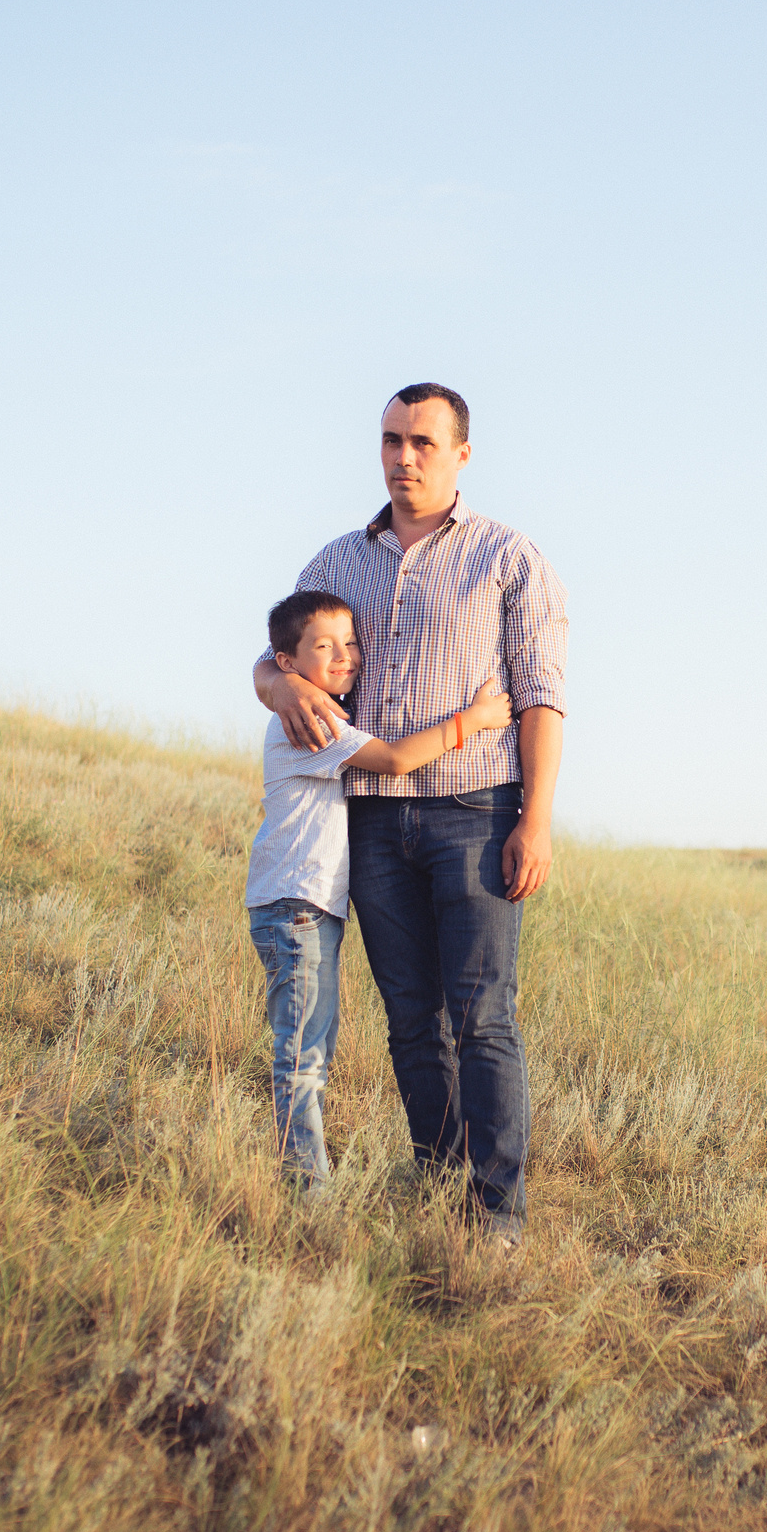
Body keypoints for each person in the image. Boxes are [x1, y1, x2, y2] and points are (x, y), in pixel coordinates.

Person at [252, 382, 567, 1251]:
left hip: (476, 809)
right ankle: (437, 1190)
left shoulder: (510, 558)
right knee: (412, 1020)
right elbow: (271, 651)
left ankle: (497, 1217)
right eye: (392, 440)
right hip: (374, 826)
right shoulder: (336, 561)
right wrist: (277, 683)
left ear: (461, 454)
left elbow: (542, 697)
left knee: (482, 1014)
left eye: (424, 442)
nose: (404, 457)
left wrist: (534, 820)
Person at [244, 588, 512, 1193]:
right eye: (324, 646)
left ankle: (308, 1183)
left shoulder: (319, 711)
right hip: (298, 908)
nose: (346, 656)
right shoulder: (312, 721)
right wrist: (473, 721)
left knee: (306, 1053)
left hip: (300, 905)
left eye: (353, 643)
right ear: (286, 662)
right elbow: (392, 760)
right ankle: (307, 1196)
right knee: (302, 1059)